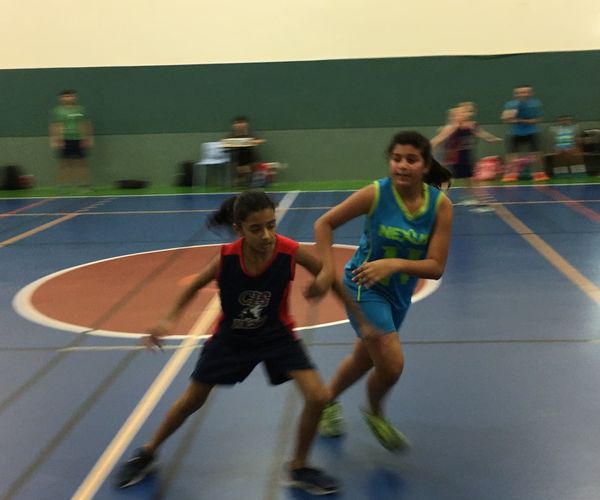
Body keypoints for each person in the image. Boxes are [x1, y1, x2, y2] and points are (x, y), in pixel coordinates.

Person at [114, 190, 377, 496]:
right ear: (239, 230)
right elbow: (194, 285)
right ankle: (147, 453)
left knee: (318, 397)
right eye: (256, 229)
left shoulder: (288, 251)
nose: (266, 235)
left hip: (276, 335)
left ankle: (299, 467)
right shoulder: (226, 258)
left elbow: (329, 276)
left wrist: (360, 318)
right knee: (192, 399)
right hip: (232, 339)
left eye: (271, 225)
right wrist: (167, 319)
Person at [305, 131, 453, 451]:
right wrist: (327, 270)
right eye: (396, 159)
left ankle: (325, 401)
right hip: (364, 286)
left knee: (364, 359)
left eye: (411, 159)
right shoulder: (376, 193)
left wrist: (393, 265)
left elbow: (436, 266)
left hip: (398, 294)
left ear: (425, 166)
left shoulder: (440, 206)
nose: (402, 165)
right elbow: (324, 224)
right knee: (392, 364)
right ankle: (375, 413)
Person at [431, 102, 502, 211]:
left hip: (465, 157)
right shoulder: (453, 127)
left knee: (469, 181)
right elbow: (440, 137)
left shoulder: (471, 125)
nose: (468, 114)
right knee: (450, 181)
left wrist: (492, 139)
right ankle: (439, 203)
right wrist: (429, 145)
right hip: (454, 158)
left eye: (470, 111)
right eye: (464, 112)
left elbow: (481, 134)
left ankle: (475, 200)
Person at [500, 85, 547, 182]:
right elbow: (505, 120)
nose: (522, 94)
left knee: (536, 154)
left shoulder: (535, 104)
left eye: (525, 92)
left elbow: (538, 119)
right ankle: (511, 174)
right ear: (515, 94)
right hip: (514, 132)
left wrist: (522, 120)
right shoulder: (510, 104)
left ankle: (538, 173)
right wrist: (515, 118)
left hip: (532, 132)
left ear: (530, 93)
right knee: (511, 154)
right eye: (519, 92)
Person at [49, 89, 94, 188]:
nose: (69, 98)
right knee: (65, 163)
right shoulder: (57, 111)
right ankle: (63, 185)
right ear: (61, 98)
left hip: (79, 139)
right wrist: (56, 140)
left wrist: (87, 138)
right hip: (64, 140)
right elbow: (55, 126)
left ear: (75, 97)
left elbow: (86, 124)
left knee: (81, 162)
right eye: (66, 96)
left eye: (71, 96)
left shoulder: (81, 110)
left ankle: (84, 185)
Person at [222, 116, 265, 186]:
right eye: (237, 123)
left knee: (253, 164)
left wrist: (251, 142)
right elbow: (224, 142)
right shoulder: (232, 135)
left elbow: (260, 140)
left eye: (242, 123)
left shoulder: (250, 134)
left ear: (246, 124)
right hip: (237, 155)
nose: (239, 125)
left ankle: (250, 178)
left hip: (250, 155)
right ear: (234, 125)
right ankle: (241, 178)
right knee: (239, 164)